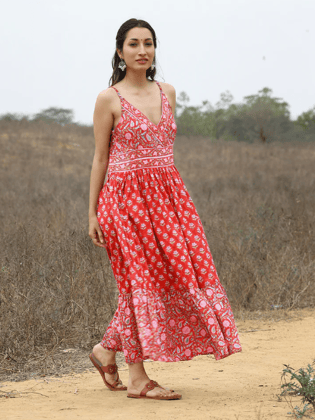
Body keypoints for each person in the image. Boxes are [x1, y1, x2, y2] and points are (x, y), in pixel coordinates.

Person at [88, 18, 242, 401]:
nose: (143, 50)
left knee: (175, 277)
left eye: (149, 43)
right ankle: (138, 379)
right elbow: (100, 158)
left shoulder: (169, 91)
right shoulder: (109, 98)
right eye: (134, 44)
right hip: (124, 203)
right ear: (120, 51)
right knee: (137, 284)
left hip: (170, 199)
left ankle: (107, 350)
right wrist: (92, 213)